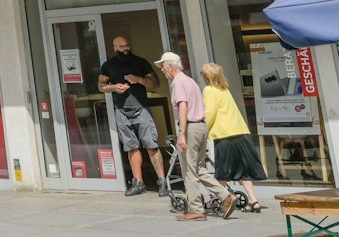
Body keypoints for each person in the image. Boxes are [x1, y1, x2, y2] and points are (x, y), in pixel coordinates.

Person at [159, 51, 233, 220]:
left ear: (170, 67)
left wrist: (181, 133)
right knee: (199, 168)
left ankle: (196, 209)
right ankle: (225, 195)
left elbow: (183, 107)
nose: (162, 70)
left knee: (189, 171)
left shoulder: (178, 83)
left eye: (163, 67)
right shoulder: (190, 81)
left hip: (190, 128)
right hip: (201, 126)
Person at [96, 34, 164, 195]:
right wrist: (114, 87)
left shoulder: (140, 62)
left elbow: (155, 83)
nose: (126, 49)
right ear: (115, 48)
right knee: (131, 147)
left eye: (127, 45)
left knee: (151, 145)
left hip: (142, 108)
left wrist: (138, 79)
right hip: (121, 110)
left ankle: (162, 181)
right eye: (122, 47)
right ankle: (138, 182)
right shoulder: (108, 65)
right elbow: (101, 86)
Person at [201, 63, 265, 213]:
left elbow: (210, 113)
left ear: (207, 76)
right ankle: (253, 200)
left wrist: (204, 131)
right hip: (241, 131)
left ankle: (221, 199)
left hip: (225, 134)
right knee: (244, 168)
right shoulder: (224, 89)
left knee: (223, 169)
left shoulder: (209, 90)